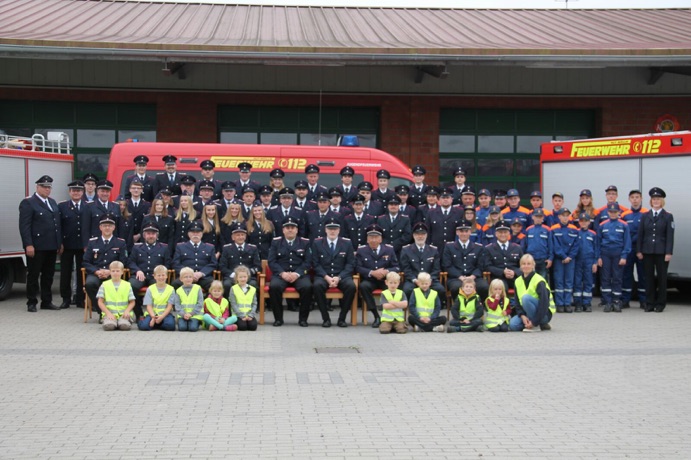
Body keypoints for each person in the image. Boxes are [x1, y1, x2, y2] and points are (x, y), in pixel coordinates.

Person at [19, 175, 62, 312]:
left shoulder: (53, 202)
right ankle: (31, 301)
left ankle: (46, 301)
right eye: (44, 187)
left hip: (51, 245)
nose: (47, 189)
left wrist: (59, 243)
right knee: (33, 275)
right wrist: (28, 244)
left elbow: (57, 225)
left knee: (48, 275)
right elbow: (24, 226)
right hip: (36, 246)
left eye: (49, 187)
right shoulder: (29, 203)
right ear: (37, 187)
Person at [311, 218, 357, 328]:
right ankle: (325, 318)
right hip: (323, 275)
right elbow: (315, 263)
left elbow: (350, 264)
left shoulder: (347, 243)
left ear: (339, 230)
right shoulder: (317, 243)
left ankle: (342, 318)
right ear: (325, 230)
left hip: (341, 275)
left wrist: (339, 277)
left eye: (335, 229)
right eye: (330, 229)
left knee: (351, 286)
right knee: (317, 286)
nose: (332, 231)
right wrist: (326, 277)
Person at [267, 216, 313, 327]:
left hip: (299, 275)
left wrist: (297, 273)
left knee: (307, 287)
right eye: (287, 228)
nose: (290, 230)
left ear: (297, 230)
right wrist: (282, 273)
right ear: (283, 230)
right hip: (281, 274)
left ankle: (303, 319)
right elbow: (272, 261)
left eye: (293, 227)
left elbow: (308, 262)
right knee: (274, 287)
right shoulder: (276, 242)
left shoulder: (305, 243)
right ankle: (278, 319)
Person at [83, 214, 129, 317]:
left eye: (109, 225)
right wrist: (96, 271)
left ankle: (111, 312)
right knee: (89, 284)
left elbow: (123, 261)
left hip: (113, 274)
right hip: (96, 273)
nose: (107, 228)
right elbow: (86, 262)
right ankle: (102, 312)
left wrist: (110, 271)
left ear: (114, 227)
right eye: (104, 226)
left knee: (115, 286)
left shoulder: (120, 243)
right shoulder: (93, 242)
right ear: (100, 227)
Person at [637, 187, 674, 313]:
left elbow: (670, 236)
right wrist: (639, 250)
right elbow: (640, 234)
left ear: (662, 201)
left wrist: (669, 252)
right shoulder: (645, 216)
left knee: (662, 278)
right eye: (654, 199)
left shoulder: (668, 216)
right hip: (647, 251)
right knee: (648, 278)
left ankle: (660, 304)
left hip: (661, 252)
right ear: (651, 201)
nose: (656, 201)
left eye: (658, 199)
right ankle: (650, 303)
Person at [356, 224, 399, 328]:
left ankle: (390, 316)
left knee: (394, 288)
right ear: (367, 239)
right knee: (363, 286)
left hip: (386, 280)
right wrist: (372, 272)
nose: (373, 240)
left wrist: (386, 271)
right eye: (371, 237)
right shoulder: (361, 250)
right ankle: (376, 316)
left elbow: (396, 267)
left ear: (380, 239)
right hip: (370, 279)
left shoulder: (389, 249)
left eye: (376, 237)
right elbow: (357, 267)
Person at [128, 222, 172, 318]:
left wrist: (159, 274)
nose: (151, 236)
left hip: (156, 277)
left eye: (153, 234)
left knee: (160, 289)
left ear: (157, 235)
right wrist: (137, 270)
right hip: (140, 275)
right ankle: (139, 314)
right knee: (130, 287)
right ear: (144, 235)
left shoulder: (164, 248)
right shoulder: (137, 247)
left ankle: (158, 315)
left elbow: (168, 264)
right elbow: (131, 262)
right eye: (148, 234)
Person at [442, 219, 488, 300]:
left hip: (474, 277)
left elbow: (480, 266)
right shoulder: (449, 247)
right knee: (456, 287)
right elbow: (447, 266)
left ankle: (479, 307)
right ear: (457, 232)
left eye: (466, 231)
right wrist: (460, 277)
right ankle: (458, 308)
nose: (464, 234)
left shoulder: (478, 247)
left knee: (484, 286)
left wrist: (472, 277)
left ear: (470, 232)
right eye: (461, 231)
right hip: (456, 278)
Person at [597, 203, 631, 313]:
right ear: (608, 212)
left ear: (619, 213)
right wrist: (598, 257)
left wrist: (624, 256)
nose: (613, 214)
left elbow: (627, 242)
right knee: (605, 278)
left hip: (618, 254)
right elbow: (597, 243)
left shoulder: (624, 225)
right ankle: (607, 302)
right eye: (611, 212)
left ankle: (616, 301)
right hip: (605, 254)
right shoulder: (602, 225)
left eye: (615, 212)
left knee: (617, 278)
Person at [510, 254, 555, 332]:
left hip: (544, 313)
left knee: (526, 298)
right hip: (527, 312)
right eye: (523, 264)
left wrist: (535, 322)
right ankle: (536, 324)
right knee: (513, 325)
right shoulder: (517, 281)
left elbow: (544, 304)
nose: (526, 266)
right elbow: (517, 303)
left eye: (528, 264)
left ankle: (536, 325)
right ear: (520, 266)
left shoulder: (539, 280)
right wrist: (522, 316)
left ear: (533, 265)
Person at [58, 180, 85, 309]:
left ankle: (80, 299)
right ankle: (66, 299)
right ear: (69, 192)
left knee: (81, 273)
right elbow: (58, 227)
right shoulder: (62, 207)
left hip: (82, 245)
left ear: (82, 192)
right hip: (67, 244)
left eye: (79, 190)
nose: (76, 193)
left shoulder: (88, 206)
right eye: (74, 190)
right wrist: (60, 243)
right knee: (65, 273)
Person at [399, 222, 444, 300]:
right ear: (413, 235)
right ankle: (412, 309)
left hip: (430, 280)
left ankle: (435, 309)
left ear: (426, 235)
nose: (420, 236)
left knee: (440, 290)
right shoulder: (406, 250)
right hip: (413, 280)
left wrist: (429, 280)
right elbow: (406, 269)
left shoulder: (433, 250)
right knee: (407, 290)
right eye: (417, 234)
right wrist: (415, 280)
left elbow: (436, 269)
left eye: (423, 234)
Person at [621, 189, 648, 309]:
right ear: (629, 199)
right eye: (632, 197)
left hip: (641, 250)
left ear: (641, 199)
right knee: (626, 274)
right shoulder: (625, 215)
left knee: (643, 275)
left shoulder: (646, 213)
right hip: (628, 249)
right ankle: (625, 299)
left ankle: (644, 300)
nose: (635, 200)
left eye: (637, 197)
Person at [172, 221, 217, 291]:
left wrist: (201, 273)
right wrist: (188, 274)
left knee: (214, 285)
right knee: (175, 284)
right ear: (188, 234)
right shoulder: (180, 247)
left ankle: (206, 301)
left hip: (203, 277)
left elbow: (213, 264)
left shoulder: (209, 247)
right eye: (193, 232)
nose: (195, 235)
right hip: (185, 277)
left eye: (198, 232)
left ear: (202, 234)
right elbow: (176, 263)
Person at [219, 222, 261, 295]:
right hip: (232, 277)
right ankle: (228, 306)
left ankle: (253, 306)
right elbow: (222, 266)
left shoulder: (253, 248)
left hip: (248, 277)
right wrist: (233, 274)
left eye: (242, 235)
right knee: (226, 285)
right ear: (233, 237)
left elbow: (258, 266)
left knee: (253, 285)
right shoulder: (227, 249)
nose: (240, 237)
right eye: (238, 235)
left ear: (245, 236)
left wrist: (247, 274)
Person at [551, 208, 579, 313]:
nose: (565, 217)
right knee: (559, 282)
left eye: (567, 215)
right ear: (559, 217)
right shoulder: (554, 229)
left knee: (568, 281)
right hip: (559, 260)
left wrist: (569, 257)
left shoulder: (574, 229)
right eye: (563, 215)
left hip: (570, 260)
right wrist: (563, 256)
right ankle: (559, 304)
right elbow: (554, 245)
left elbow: (576, 245)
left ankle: (567, 303)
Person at [483, 220, 523, 294]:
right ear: (496, 234)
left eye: (505, 232)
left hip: (515, 277)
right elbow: (487, 266)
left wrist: (515, 272)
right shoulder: (489, 248)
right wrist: (502, 272)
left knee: (522, 287)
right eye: (500, 232)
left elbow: (522, 265)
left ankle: (518, 305)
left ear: (509, 233)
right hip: (498, 278)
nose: (503, 235)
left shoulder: (517, 248)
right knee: (501, 288)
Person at [96, 261, 135, 331]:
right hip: (110, 314)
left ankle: (122, 322)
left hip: (123, 314)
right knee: (109, 326)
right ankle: (111, 321)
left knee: (124, 326)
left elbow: (132, 302)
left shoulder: (127, 285)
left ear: (122, 272)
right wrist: (108, 313)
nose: (115, 273)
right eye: (113, 271)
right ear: (110, 272)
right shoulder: (104, 285)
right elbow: (100, 302)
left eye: (117, 271)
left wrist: (127, 311)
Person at [82, 180, 122, 246]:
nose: (105, 194)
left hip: (113, 243)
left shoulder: (116, 206)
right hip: (95, 243)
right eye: (102, 191)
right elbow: (85, 228)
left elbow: (119, 227)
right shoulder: (89, 206)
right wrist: (86, 245)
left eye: (107, 191)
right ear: (97, 192)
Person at [137, 265, 176, 331]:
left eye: (163, 275)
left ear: (167, 276)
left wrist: (161, 317)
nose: (161, 277)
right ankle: (145, 320)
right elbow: (148, 306)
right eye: (159, 275)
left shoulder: (171, 289)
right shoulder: (150, 289)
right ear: (154, 276)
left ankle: (157, 324)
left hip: (165, 314)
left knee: (171, 326)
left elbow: (169, 306)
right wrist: (153, 317)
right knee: (144, 327)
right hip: (152, 314)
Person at [573, 212, 598, 312]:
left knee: (588, 281)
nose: (583, 223)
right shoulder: (575, 232)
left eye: (586, 221)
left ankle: (587, 303)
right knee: (577, 281)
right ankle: (578, 303)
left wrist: (595, 262)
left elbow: (596, 249)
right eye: (581, 221)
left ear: (589, 222)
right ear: (579, 222)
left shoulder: (593, 234)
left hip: (589, 260)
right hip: (578, 260)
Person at [523, 208, 552, 280]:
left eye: (540, 217)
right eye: (536, 217)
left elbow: (551, 245)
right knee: (531, 279)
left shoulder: (547, 229)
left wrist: (550, 258)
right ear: (532, 217)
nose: (538, 219)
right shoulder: (528, 229)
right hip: (531, 260)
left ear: (543, 218)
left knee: (542, 280)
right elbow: (525, 245)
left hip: (543, 259)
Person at [175, 267, 204, 331]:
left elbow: (200, 303)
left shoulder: (198, 288)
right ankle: (182, 321)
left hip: (195, 314)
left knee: (192, 328)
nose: (188, 279)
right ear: (181, 279)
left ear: (193, 278)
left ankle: (198, 322)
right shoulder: (178, 290)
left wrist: (191, 314)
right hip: (183, 315)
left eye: (190, 277)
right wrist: (183, 314)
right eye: (186, 277)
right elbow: (177, 305)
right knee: (182, 328)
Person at [230, 265, 259, 331]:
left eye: (244, 277)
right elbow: (233, 304)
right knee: (243, 327)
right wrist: (241, 315)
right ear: (236, 278)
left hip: (249, 315)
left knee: (253, 327)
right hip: (238, 315)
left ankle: (249, 320)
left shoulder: (252, 289)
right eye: (240, 277)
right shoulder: (233, 289)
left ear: (248, 277)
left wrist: (251, 315)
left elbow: (254, 304)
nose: (243, 279)